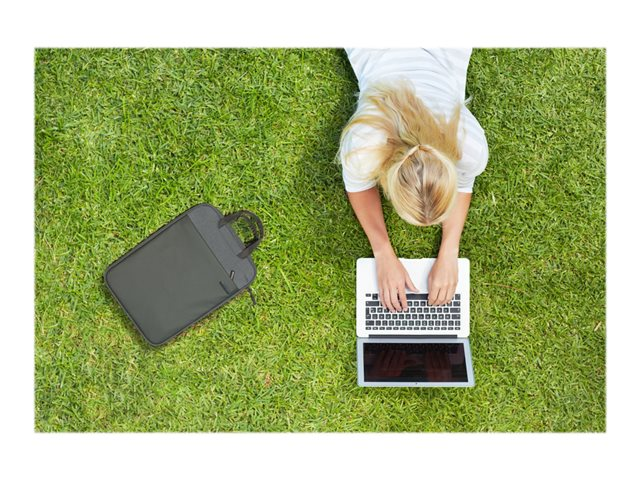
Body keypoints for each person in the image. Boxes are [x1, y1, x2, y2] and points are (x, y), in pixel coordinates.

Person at [338, 49, 488, 312]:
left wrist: (450, 251)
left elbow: (464, 185)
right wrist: (382, 253)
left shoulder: (470, 146)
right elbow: (357, 186)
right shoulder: (364, 145)